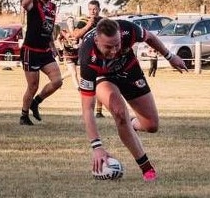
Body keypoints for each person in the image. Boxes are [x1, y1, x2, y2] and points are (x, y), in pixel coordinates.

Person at [78, 18, 187, 181]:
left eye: (117, 45)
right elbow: (87, 108)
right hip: (103, 77)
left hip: (129, 70)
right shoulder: (88, 58)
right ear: (96, 40)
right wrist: (97, 147)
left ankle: (131, 124)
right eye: (108, 47)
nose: (114, 51)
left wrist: (170, 56)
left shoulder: (127, 29)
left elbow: (149, 37)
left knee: (151, 125)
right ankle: (146, 167)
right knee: (119, 112)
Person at [19, 0, 63, 125]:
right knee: (33, 85)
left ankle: (36, 102)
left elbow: (49, 28)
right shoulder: (34, 2)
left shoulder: (52, 7)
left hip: (44, 50)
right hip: (30, 50)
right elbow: (24, 4)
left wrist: (52, 45)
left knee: (57, 81)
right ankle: (24, 116)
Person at [72, 0, 105, 118]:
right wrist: (88, 26)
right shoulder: (83, 21)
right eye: (90, 9)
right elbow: (75, 35)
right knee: (88, 85)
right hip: (87, 56)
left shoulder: (103, 21)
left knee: (101, 82)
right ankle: (87, 110)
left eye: (95, 9)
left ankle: (99, 111)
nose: (93, 11)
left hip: (101, 56)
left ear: (99, 9)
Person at [58, 16, 80, 89]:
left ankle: (59, 79)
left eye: (72, 21)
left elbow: (81, 40)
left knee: (71, 72)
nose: (71, 22)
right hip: (67, 55)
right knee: (74, 73)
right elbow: (58, 39)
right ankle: (79, 88)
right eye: (69, 21)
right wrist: (61, 46)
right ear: (67, 22)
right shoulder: (64, 31)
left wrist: (78, 45)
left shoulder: (77, 30)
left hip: (76, 54)